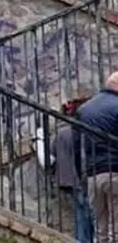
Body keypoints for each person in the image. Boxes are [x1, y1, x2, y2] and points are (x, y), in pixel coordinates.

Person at [36, 97, 94, 242]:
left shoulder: (61, 133)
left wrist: (38, 139)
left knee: (81, 214)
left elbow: (50, 158)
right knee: (92, 215)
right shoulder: (86, 131)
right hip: (85, 178)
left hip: (68, 180)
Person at [73, 73, 118, 242]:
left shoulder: (84, 109)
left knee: (100, 227)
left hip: (92, 173)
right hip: (115, 170)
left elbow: (76, 146)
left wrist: (81, 174)